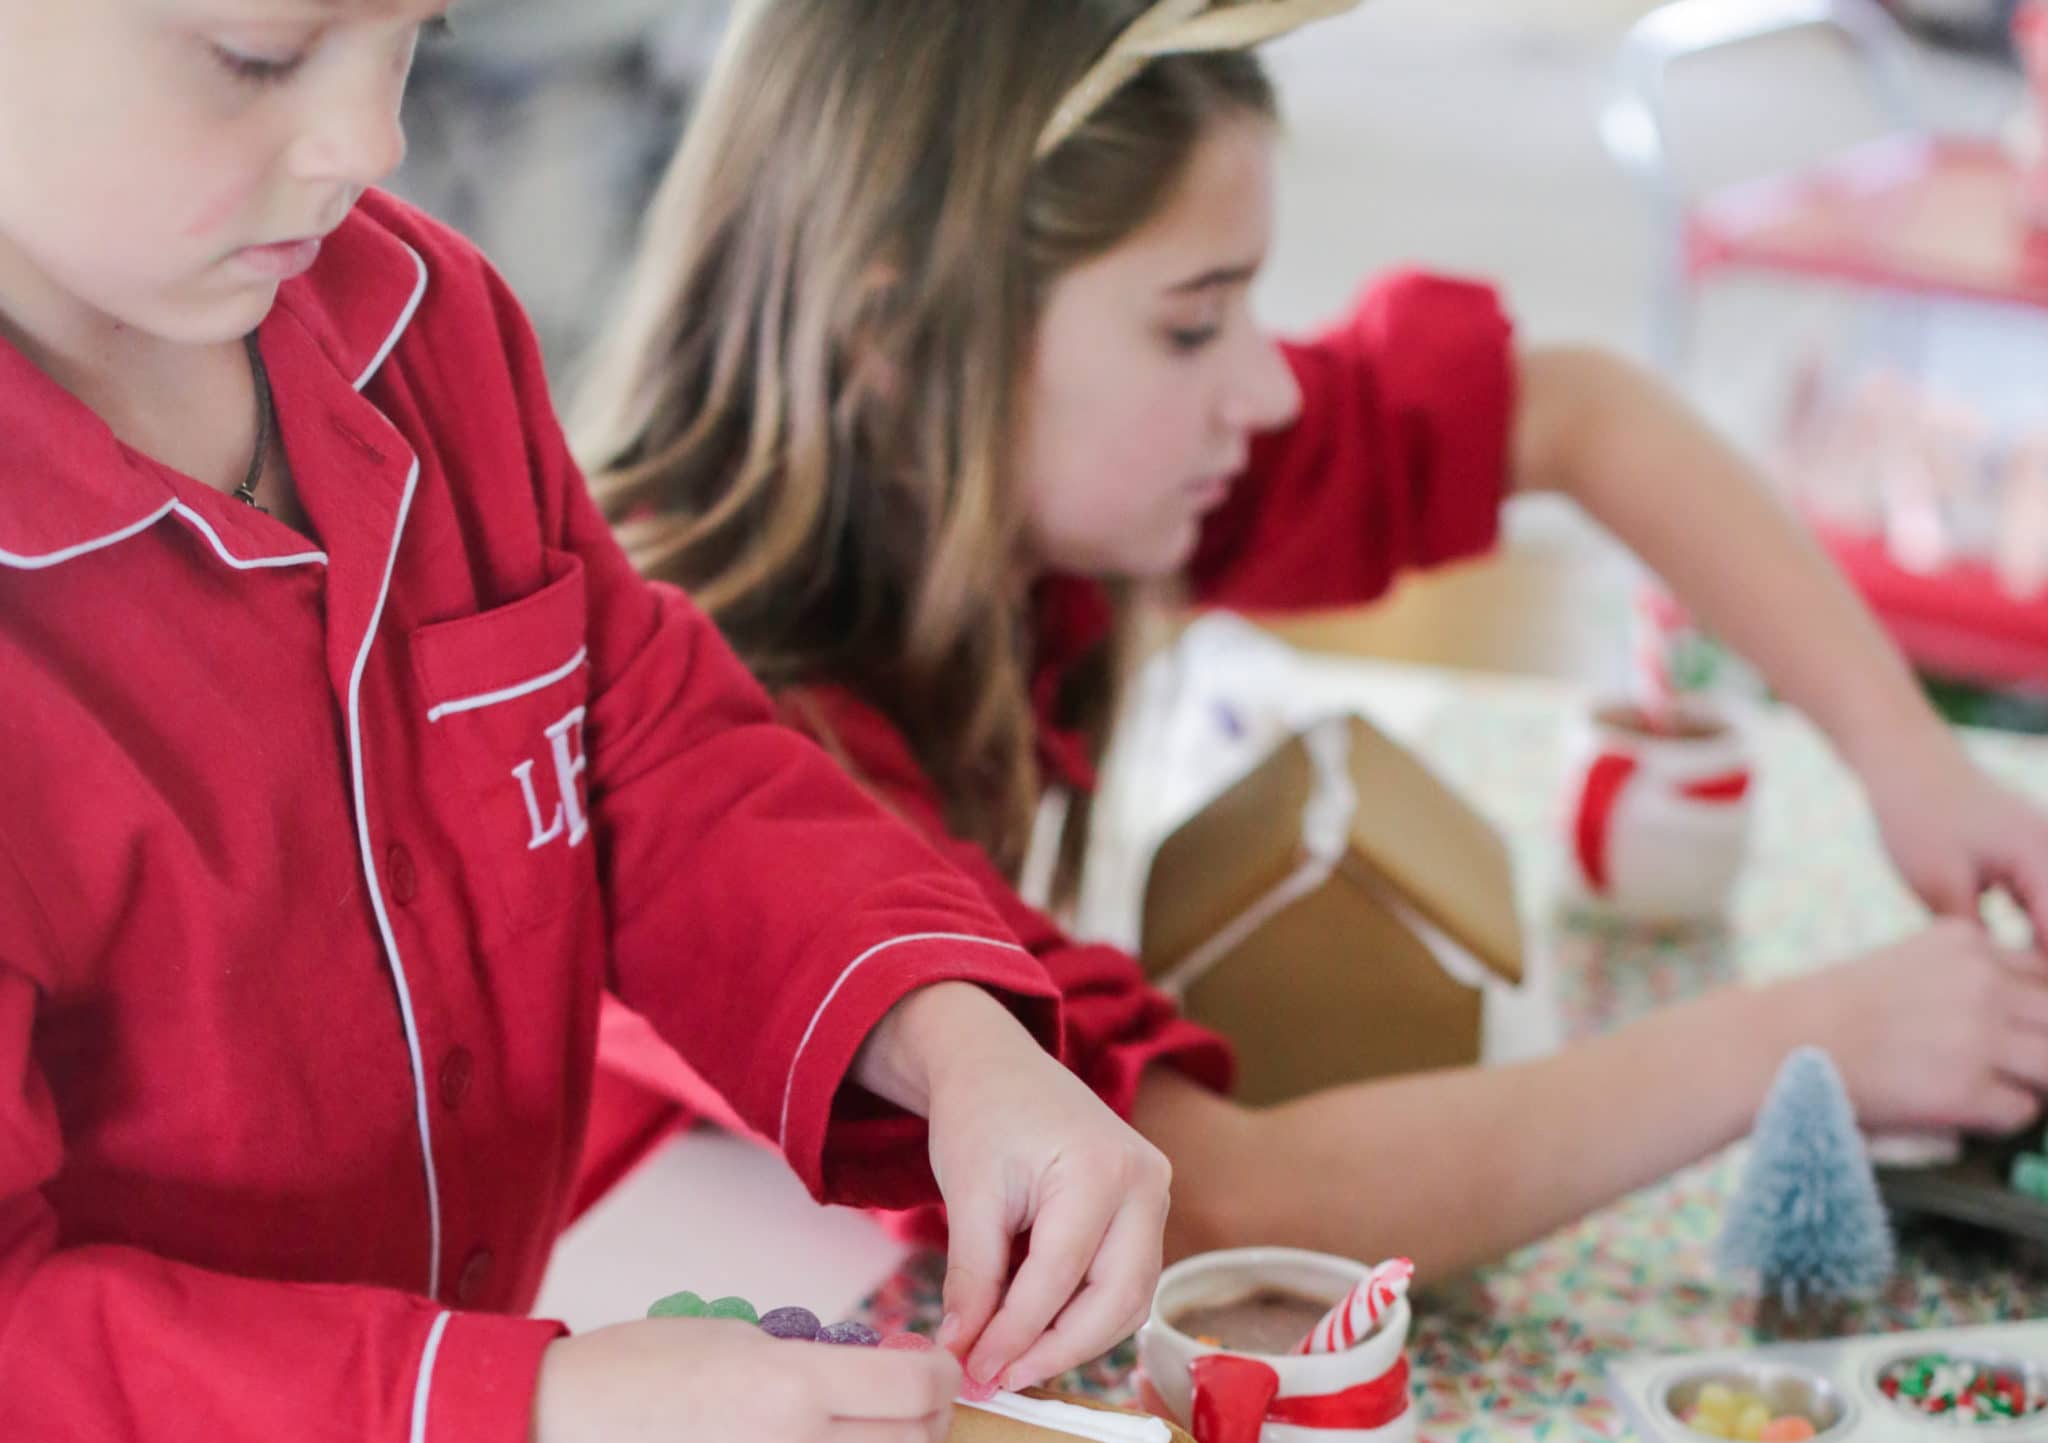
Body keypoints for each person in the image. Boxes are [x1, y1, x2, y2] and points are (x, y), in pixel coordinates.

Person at [0, 0, 1169, 1443]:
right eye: (255, 54)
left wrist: (959, 1043)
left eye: (413, 33)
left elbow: (645, 749)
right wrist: (522, 1434)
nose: (369, 139)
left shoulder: (419, 321)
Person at [577, 0, 2048, 1283]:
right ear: (901, 341)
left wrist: (1914, 757)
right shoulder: (729, 727)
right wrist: (1806, 1041)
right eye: (1190, 323)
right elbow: (1221, 1196)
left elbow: (1582, 412)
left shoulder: (1021, 472)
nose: (1267, 393)